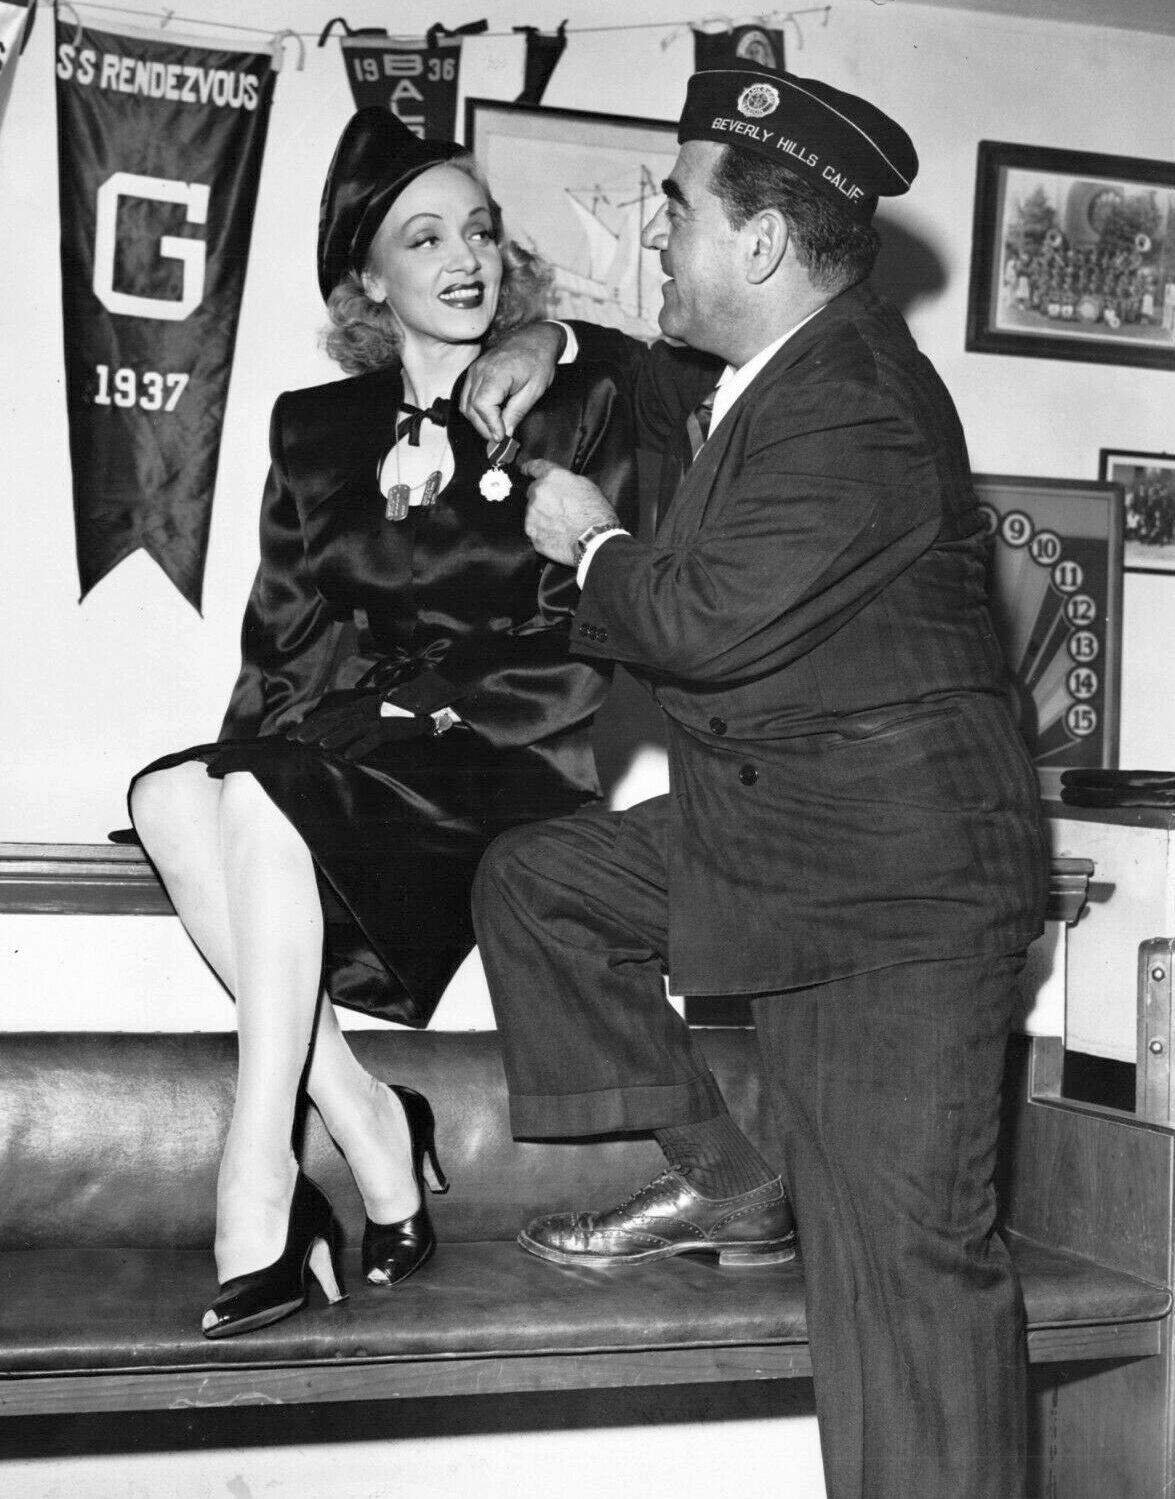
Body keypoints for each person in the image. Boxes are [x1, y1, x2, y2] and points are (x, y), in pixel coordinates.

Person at [462, 67, 1048, 1499]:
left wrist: (590, 539)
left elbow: (702, 621)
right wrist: (545, 333)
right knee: (539, 882)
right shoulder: (781, 372)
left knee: (900, 1288)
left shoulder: (854, 403)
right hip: (787, 837)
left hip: (896, 908)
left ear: (764, 242)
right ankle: (728, 1178)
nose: (652, 232)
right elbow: (651, 373)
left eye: (675, 210)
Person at [127, 107, 636, 1340]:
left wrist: (409, 709)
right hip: (374, 750)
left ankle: (259, 1180)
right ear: (368, 276)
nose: (466, 259)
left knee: (262, 791)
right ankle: (364, 1115)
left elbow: (587, 636)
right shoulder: (314, 430)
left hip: (512, 752)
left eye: (480, 231)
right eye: (425, 238)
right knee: (169, 793)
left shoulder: (576, 399)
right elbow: (284, 640)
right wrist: (237, 768)